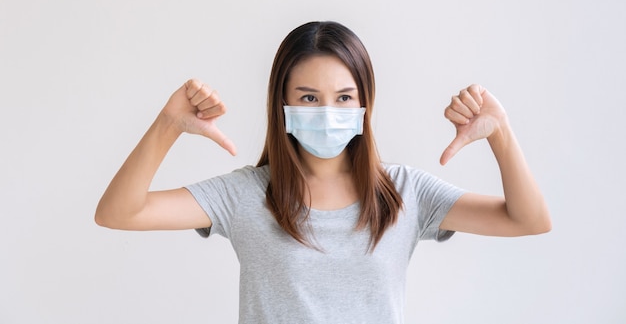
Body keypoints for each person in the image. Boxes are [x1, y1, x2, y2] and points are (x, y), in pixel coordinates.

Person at [95, 21, 551, 324]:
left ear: (364, 105)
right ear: (283, 104)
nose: (328, 111)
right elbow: (118, 212)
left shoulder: (406, 192)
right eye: (309, 98)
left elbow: (527, 220)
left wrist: (500, 134)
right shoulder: (245, 196)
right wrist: (168, 124)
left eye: (344, 97)